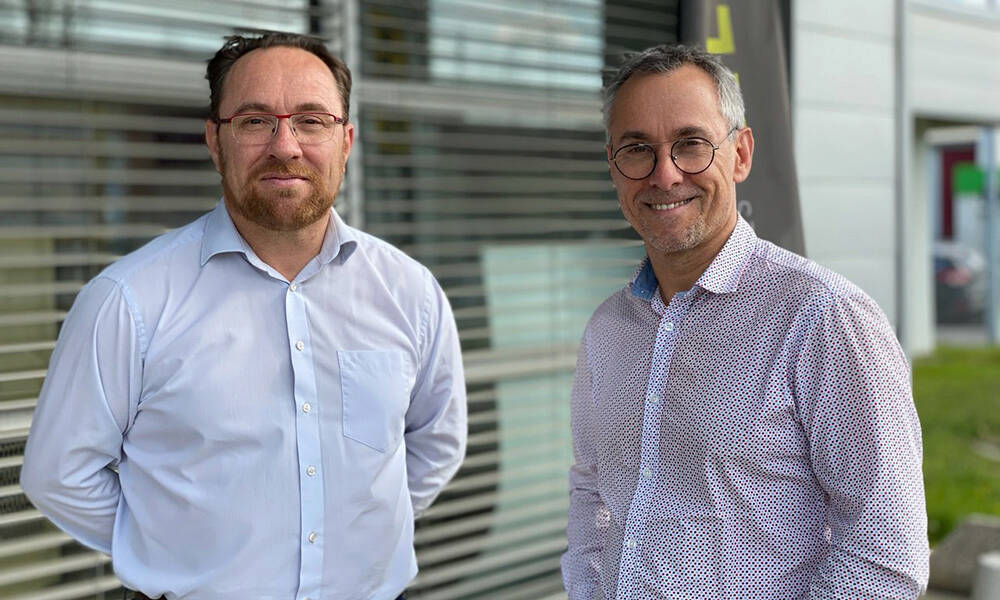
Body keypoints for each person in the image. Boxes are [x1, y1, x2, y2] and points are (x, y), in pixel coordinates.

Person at [20, 32, 467, 600]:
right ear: (215, 141)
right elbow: (58, 475)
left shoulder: (409, 291)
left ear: (346, 141)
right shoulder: (128, 300)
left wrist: (356, 540)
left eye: (311, 121)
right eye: (255, 121)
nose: (286, 146)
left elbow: (436, 442)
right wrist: (174, 550)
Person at [560, 44, 928, 600]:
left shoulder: (824, 317)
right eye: (637, 150)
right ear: (614, 166)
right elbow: (592, 494)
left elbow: (885, 555)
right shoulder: (608, 330)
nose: (664, 174)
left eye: (691, 144)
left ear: (740, 154)